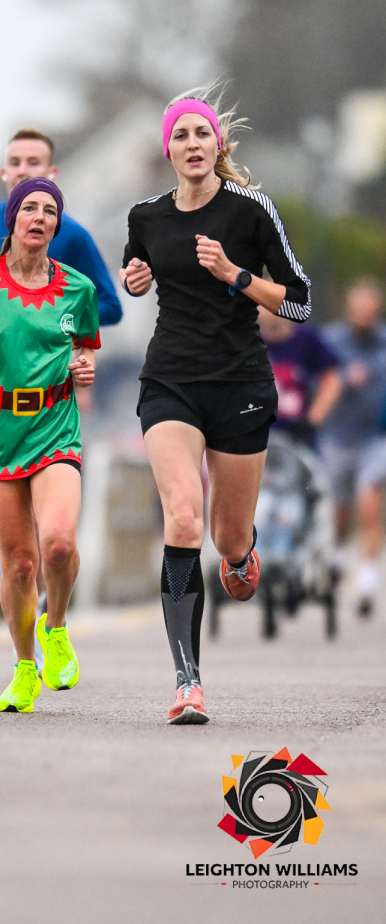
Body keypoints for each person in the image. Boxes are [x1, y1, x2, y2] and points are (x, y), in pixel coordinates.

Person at [120, 91, 311, 725]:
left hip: (239, 382)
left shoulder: (252, 210)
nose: (194, 144)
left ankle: (239, 551)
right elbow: (137, 268)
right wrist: (134, 279)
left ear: (218, 146)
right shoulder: (146, 215)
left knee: (227, 536)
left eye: (203, 134)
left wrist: (235, 274)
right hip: (171, 380)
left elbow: (300, 302)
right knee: (181, 518)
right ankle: (187, 682)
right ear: (169, 149)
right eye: (182, 136)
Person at [0, 128, 121, 635]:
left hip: (51, 403)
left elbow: (106, 307)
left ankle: (49, 615)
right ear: (4, 174)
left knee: (54, 536)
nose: (23, 169)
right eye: (15, 161)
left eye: (34, 162)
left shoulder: (75, 240)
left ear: (52, 175)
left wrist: (60, 343)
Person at [0, 178, 100, 713]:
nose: (38, 217)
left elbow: (85, 352)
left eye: (49, 210)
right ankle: (24, 668)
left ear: (57, 224)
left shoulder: (78, 289)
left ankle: (56, 631)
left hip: (55, 425)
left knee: (57, 542)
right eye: (28, 207)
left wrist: (84, 368)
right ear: (11, 219)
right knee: (20, 565)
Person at [319, 280, 386, 615]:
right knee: (340, 509)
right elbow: (318, 380)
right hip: (337, 437)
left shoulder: (383, 344)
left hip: (374, 438)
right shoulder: (332, 341)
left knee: (370, 504)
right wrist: (345, 379)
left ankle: (368, 582)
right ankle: (339, 557)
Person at [258, 306, 341, 444]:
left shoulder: (306, 339)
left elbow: (332, 381)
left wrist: (311, 421)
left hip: (297, 438)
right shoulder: (245, 342)